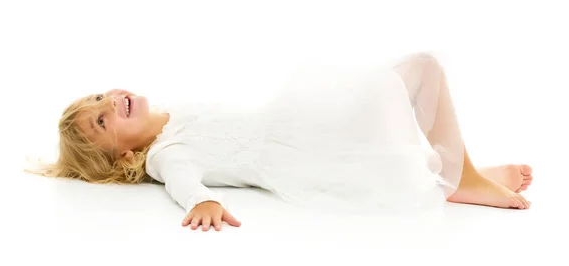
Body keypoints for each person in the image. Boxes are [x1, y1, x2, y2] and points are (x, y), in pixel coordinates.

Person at [31, 52, 533, 232]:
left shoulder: (173, 115)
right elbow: (182, 181)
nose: (107, 102)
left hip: (303, 124)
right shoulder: (166, 155)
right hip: (304, 152)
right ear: (121, 155)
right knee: (419, 72)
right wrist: (203, 200)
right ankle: (463, 178)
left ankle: (463, 172)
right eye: (99, 121)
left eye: (99, 97)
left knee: (403, 110)